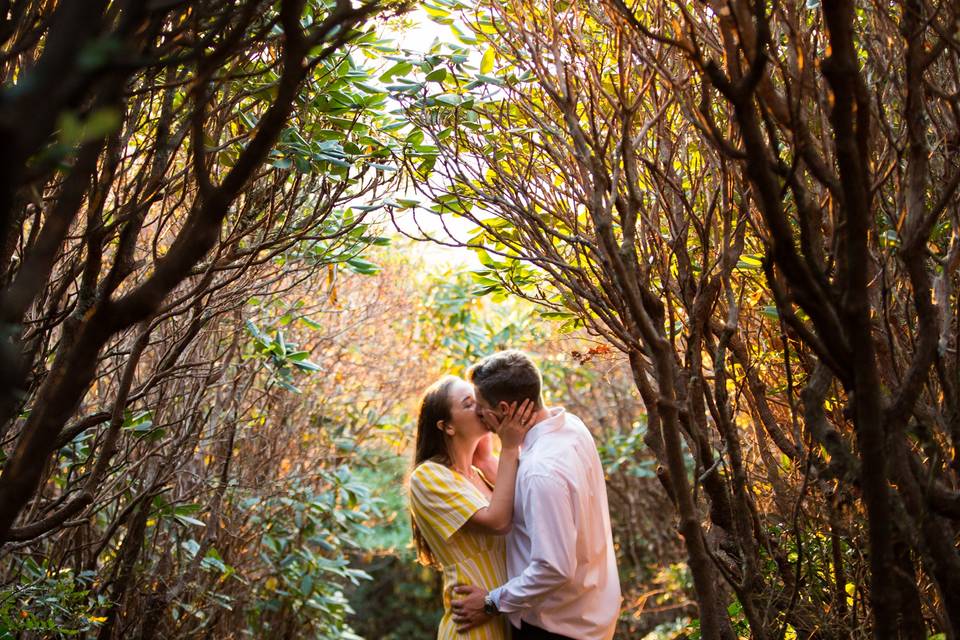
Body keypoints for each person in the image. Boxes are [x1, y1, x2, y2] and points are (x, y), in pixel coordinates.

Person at [451, 350, 622, 640]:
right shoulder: (572, 427)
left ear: (504, 409)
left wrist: (491, 602)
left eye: (481, 408)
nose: (479, 415)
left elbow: (553, 568)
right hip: (591, 612)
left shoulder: (540, 471)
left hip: (557, 627)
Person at [409, 375, 535, 640]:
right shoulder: (429, 476)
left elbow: (527, 503)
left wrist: (488, 456)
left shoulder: (479, 473)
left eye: (478, 399)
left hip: (499, 612)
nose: (480, 407)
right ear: (448, 427)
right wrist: (510, 446)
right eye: (468, 404)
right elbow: (499, 522)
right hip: (473, 626)